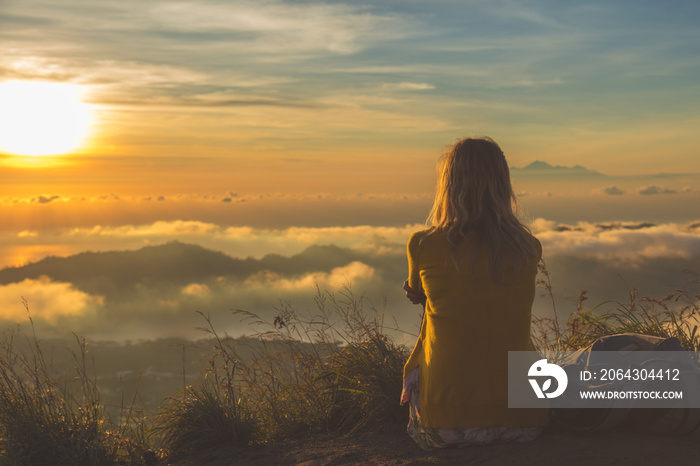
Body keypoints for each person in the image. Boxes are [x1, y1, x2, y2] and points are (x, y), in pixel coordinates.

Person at [400, 136, 548, 450]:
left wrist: (425, 296)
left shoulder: (423, 244)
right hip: (526, 421)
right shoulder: (527, 247)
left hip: (446, 427)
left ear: (448, 184)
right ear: (502, 183)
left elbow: (417, 291)